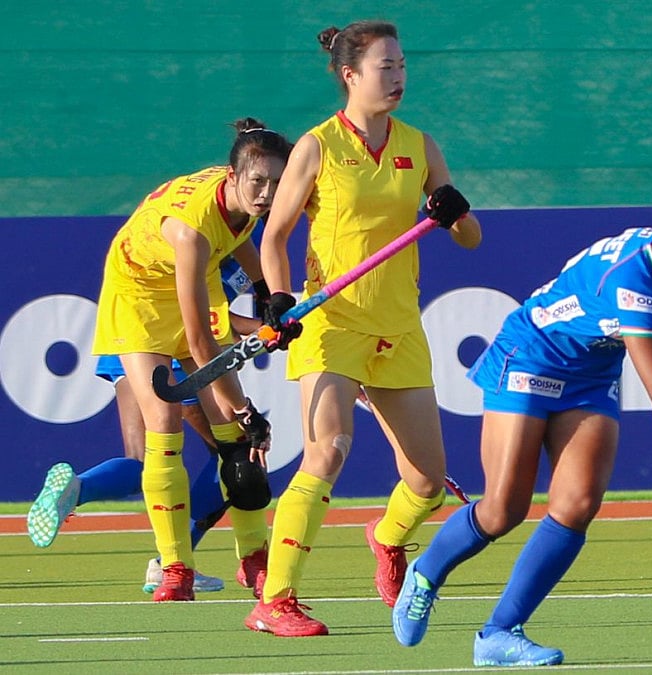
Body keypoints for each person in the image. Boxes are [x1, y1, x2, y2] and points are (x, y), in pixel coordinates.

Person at [391, 147, 652, 667]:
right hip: (531, 354)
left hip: (591, 373)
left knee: (577, 505)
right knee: (504, 509)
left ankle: (499, 633)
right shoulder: (631, 279)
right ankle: (426, 574)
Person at [248, 20, 481, 638]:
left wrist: (454, 212)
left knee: (427, 479)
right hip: (333, 321)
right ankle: (276, 599)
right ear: (350, 75)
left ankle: (386, 537)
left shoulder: (419, 145)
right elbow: (274, 237)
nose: (399, 76)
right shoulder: (318, 145)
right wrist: (275, 298)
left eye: (402, 64)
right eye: (386, 66)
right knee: (329, 449)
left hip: (398, 326)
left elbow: (470, 237)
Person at [91, 117, 296, 602]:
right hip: (139, 295)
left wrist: (268, 293)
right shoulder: (192, 234)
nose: (266, 194)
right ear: (232, 176)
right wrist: (245, 410)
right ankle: (175, 569)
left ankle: (256, 561)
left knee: (237, 447)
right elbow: (202, 348)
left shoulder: (243, 201)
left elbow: (240, 238)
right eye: (258, 182)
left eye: (275, 183)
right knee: (165, 423)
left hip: (191, 276)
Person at [27, 258, 272, 594]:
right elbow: (195, 303)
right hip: (171, 347)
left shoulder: (240, 228)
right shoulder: (220, 227)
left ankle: (79, 489)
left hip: (129, 342)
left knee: (146, 462)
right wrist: (259, 327)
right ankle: (171, 559)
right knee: (232, 454)